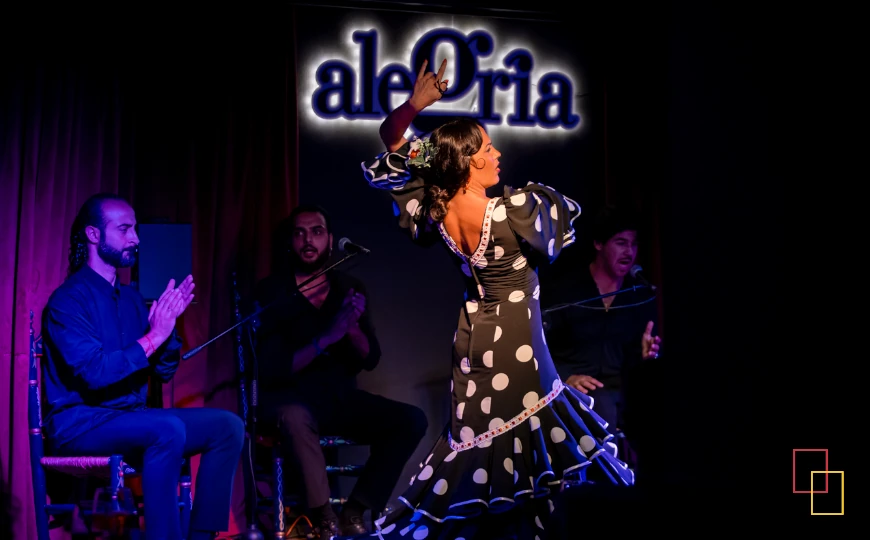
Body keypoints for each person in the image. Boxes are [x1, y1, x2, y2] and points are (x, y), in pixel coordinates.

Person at [358, 59, 634, 539]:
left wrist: (414, 106)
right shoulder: (514, 210)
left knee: (482, 445)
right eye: (488, 147)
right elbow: (560, 225)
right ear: (469, 161)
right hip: (515, 347)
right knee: (535, 452)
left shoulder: (435, 208)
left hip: (472, 344)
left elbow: (393, 139)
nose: (498, 153)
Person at [40, 193, 245, 540]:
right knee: (165, 428)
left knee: (227, 426)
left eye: (135, 228)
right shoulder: (67, 301)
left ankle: (200, 538)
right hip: (81, 423)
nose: (136, 237)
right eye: (125, 229)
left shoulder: (133, 299)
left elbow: (163, 371)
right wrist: (154, 336)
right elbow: (96, 373)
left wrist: (168, 329)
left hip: (130, 418)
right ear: (93, 235)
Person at [254, 204, 428, 537]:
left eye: (317, 232)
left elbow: (370, 357)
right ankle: (324, 518)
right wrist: (328, 337)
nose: (308, 240)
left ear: (331, 241)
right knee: (293, 415)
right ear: (290, 242)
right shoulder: (272, 292)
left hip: (338, 398)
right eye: (300, 233)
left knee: (411, 419)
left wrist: (351, 330)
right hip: (291, 399)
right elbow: (273, 368)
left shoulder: (350, 287)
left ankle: (357, 509)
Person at [542, 205, 662, 465]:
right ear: (598, 243)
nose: (629, 252)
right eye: (620, 243)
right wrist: (564, 378)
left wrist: (645, 357)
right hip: (569, 394)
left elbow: (635, 366)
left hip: (618, 400)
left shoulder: (638, 296)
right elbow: (538, 347)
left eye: (633, 244)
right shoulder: (565, 292)